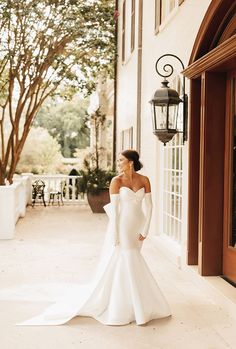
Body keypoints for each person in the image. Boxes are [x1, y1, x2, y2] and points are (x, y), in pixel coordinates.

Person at [0, 149, 171, 326]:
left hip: (139, 223)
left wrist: (146, 229)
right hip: (124, 225)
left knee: (131, 259)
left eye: (121, 160)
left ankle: (135, 302)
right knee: (129, 257)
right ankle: (129, 306)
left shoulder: (144, 180)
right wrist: (115, 234)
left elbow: (150, 206)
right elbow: (116, 210)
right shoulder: (116, 181)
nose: (118, 163)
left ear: (131, 162)